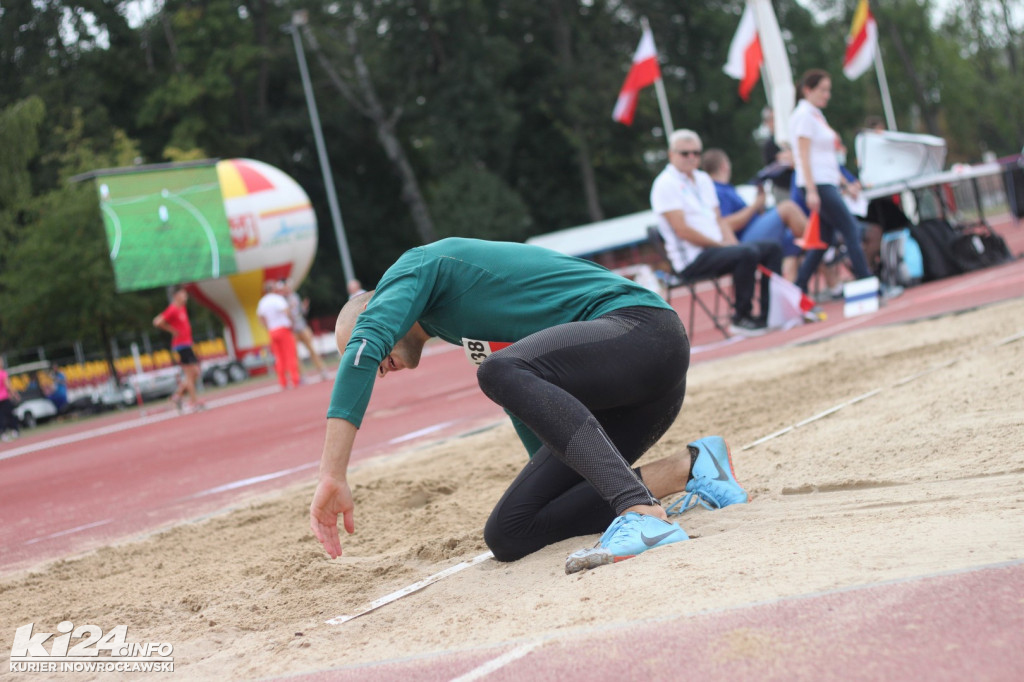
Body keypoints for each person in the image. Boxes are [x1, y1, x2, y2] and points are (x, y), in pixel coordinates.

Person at [309, 238, 748, 574]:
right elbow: (529, 407)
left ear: (376, 307)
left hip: (644, 332)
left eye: (362, 335)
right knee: (511, 531)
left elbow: (363, 354)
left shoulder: (418, 267)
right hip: (629, 395)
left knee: (496, 371)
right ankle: (692, 467)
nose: (378, 371)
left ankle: (643, 513)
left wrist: (332, 474)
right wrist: (553, 487)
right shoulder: (463, 329)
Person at [650, 129, 783, 336]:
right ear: (671, 154)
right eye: (685, 153)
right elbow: (683, 230)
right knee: (746, 254)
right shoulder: (664, 184)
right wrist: (723, 246)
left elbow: (719, 220)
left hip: (716, 249)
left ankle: (770, 313)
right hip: (692, 259)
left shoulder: (703, 179)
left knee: (771, 248)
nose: (691, 157)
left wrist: (733, 245)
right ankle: (741, 317)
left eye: (696, 153)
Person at [789, 69, 874, 295]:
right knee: (850, 230)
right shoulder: (804, 116)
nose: (827, 95)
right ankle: (867, 284)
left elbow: (826, 159)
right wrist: (811, 190)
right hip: (818, 184)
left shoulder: (816, 115)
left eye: (828, 90)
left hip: (826, 181)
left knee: (824, 240)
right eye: (823, 90)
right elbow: (803, 156)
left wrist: (846, 183)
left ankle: (798, 289)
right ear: (808, 90)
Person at [702, 148, 807, 282]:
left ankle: (795, 290)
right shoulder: (716, 190)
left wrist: (759, 206)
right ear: (725, 165)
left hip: (751, 233)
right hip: (743, 242)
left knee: (794, 238)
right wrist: (755, 205)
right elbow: (726, 223)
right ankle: (823, 245)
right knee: (788, 208)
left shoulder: (725, 188)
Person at [153, 287, 205, 413]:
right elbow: (157, 321)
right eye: (183, 295)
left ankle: (177, 396)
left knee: (195, 373)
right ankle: (193, 402)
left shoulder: (182, 308)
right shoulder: (173, 309)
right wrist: (172, 330)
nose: (185, 298)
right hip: (181, 346)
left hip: (187, 344)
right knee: (191, 374)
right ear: (176, 296)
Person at [281, 279, 330, 380]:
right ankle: (302, 375)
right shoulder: (282, 300)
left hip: (302, 326)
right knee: (295, 354)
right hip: (292, 329)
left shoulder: (295, 296)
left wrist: (304, 307)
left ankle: (322, 370)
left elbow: (301, 312)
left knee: (312, 349)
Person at [257, 281, 301, 389]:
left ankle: (282, 382)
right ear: (273, 289)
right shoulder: (277, 299)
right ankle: (295, 380)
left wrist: (267, 326)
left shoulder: (262, 302)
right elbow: (286, 311)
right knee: (290, 355)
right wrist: (292, 322)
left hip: (272, 331)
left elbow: (260, 317)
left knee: (279, 357)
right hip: (283, 329)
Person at [760, 107, 796, 205]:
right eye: (771, 119)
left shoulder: (791, 139)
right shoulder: (769, 145)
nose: (774, 122)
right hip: (782, 189)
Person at [0, 357, 21, 442]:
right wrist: (15, 394)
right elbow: (8, 386)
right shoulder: (3, 373)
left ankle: (3, 433)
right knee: (10, 415)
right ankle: (14, 430)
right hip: (4, 398)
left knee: (1, 417)